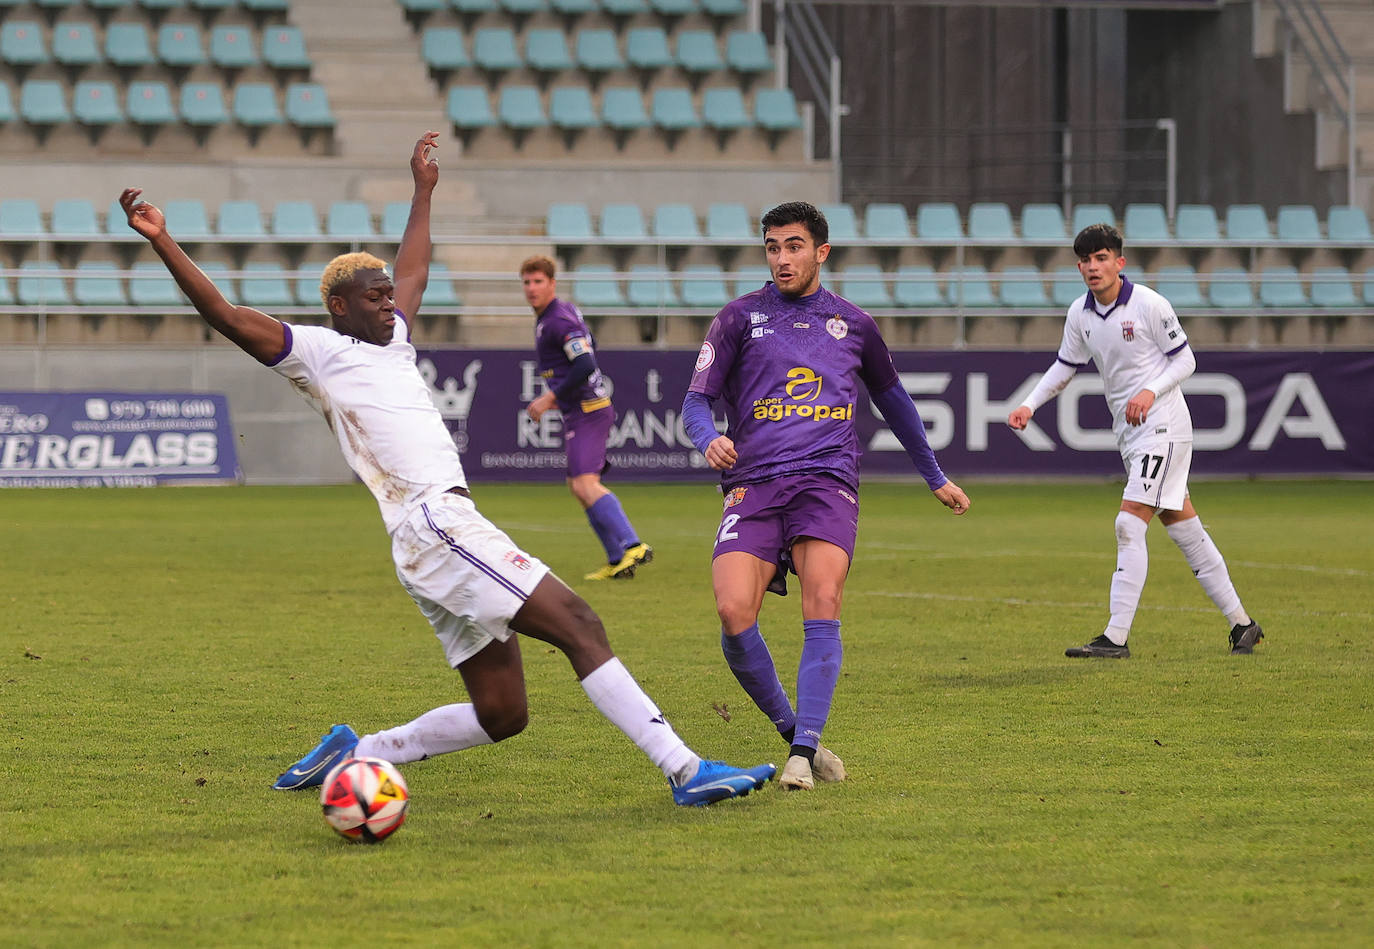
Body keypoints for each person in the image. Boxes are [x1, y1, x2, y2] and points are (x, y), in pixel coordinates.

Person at [118, 132, 775, 807]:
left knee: (503, 712)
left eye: (385, 295)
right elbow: (225, 315)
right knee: (579, 621)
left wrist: (423, 190)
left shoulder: (392, 337)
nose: (388, 303)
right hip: (436, 521)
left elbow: (413, 270)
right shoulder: (314, 351)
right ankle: (685, 768)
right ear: (339, 306)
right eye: (372, 298)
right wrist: (162, 239)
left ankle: (361, 751)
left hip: (428, 533)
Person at [679, 201, 971, 791]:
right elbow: (694, 402)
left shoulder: (854, 325)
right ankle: (798, 734)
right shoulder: (738, 318)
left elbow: (897, 404)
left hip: (826, 480)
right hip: (754, 485)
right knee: (734, 612)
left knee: (824, 598)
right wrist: (709, 437)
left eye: (793, 246)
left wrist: (933, 474)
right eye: (772, 247)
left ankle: (800, 756)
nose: (782, 258)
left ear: (821, 251)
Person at [1007, 223, 1263, 659]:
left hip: (1164, 425)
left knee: (1128, 524)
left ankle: (1115, 638)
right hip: (1131, 434)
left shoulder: (1149, 305)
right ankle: (1244, 625)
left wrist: (1150, 390)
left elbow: (1186, 360)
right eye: (1086, 260)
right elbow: (1064, 366)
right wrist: (1029, 404)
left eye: (1101, 257)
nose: (1093, 267)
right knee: (1185, 530)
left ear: (1119, 263)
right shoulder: (1080, 314)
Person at [520, 255, 653, 581]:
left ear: (552, 283)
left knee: (585, 483)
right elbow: (589, 345)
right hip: (580, 409)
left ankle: (633, 544)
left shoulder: (557, 320)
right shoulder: (555, 315)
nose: (532, 288)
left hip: (589, 411)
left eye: (538, 281)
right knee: (577, 486)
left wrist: (551, 396)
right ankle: (617, 560)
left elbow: (585, 363)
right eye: (526, 282)